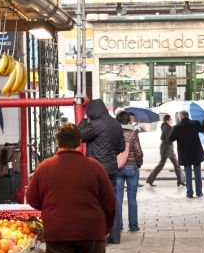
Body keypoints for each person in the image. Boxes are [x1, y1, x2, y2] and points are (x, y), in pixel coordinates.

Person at [26, 124, 115, 253]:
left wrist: (52, 209)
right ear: (80, 143)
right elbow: (110, 202)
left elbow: (32, 199)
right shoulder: (94, 167)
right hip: (91, 231)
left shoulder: (45, 167)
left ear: (58, 143)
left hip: (58, 231)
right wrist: (106, 227)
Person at [78, 100, 125, 242]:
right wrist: (110, 155)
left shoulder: (96, 125)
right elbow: (121, 147)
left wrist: (84, 120)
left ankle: (100, 237)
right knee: (113, 200)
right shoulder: (115, 123)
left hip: (97, 169)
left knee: (98, 202)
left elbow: (80, 135)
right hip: (111, 168)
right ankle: (115, 236)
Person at [111, 111, 143, 242]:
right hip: (131, 166)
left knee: (118, 198)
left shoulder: (113, 133)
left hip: (117, 167)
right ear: (129, 120)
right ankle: (133, 225)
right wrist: (138, 163)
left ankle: (119, 225)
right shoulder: (133, 133)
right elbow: (138, 151)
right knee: (132, 197)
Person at [169, 110, 204, 199]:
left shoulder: (177, 127)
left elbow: (171, 139)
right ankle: (199, 192)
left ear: (181, 117)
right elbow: (203, 129)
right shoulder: (195, 123)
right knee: (198, 173)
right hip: (196, 152)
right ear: (187, 116)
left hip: (185, 153)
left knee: (188, 174)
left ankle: (189, 192)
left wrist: (172, 129)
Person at [147, 114, 184, 188]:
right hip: (167, 149)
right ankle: (150, 180)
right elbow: (169, 138)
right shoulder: (167, 128)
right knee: (168, 165)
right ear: (167, 120)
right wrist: (177, 136)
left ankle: (181, 181)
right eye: (171, 119)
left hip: (167, 148)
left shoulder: (165, 126)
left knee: (174, 165)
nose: (172, 120)